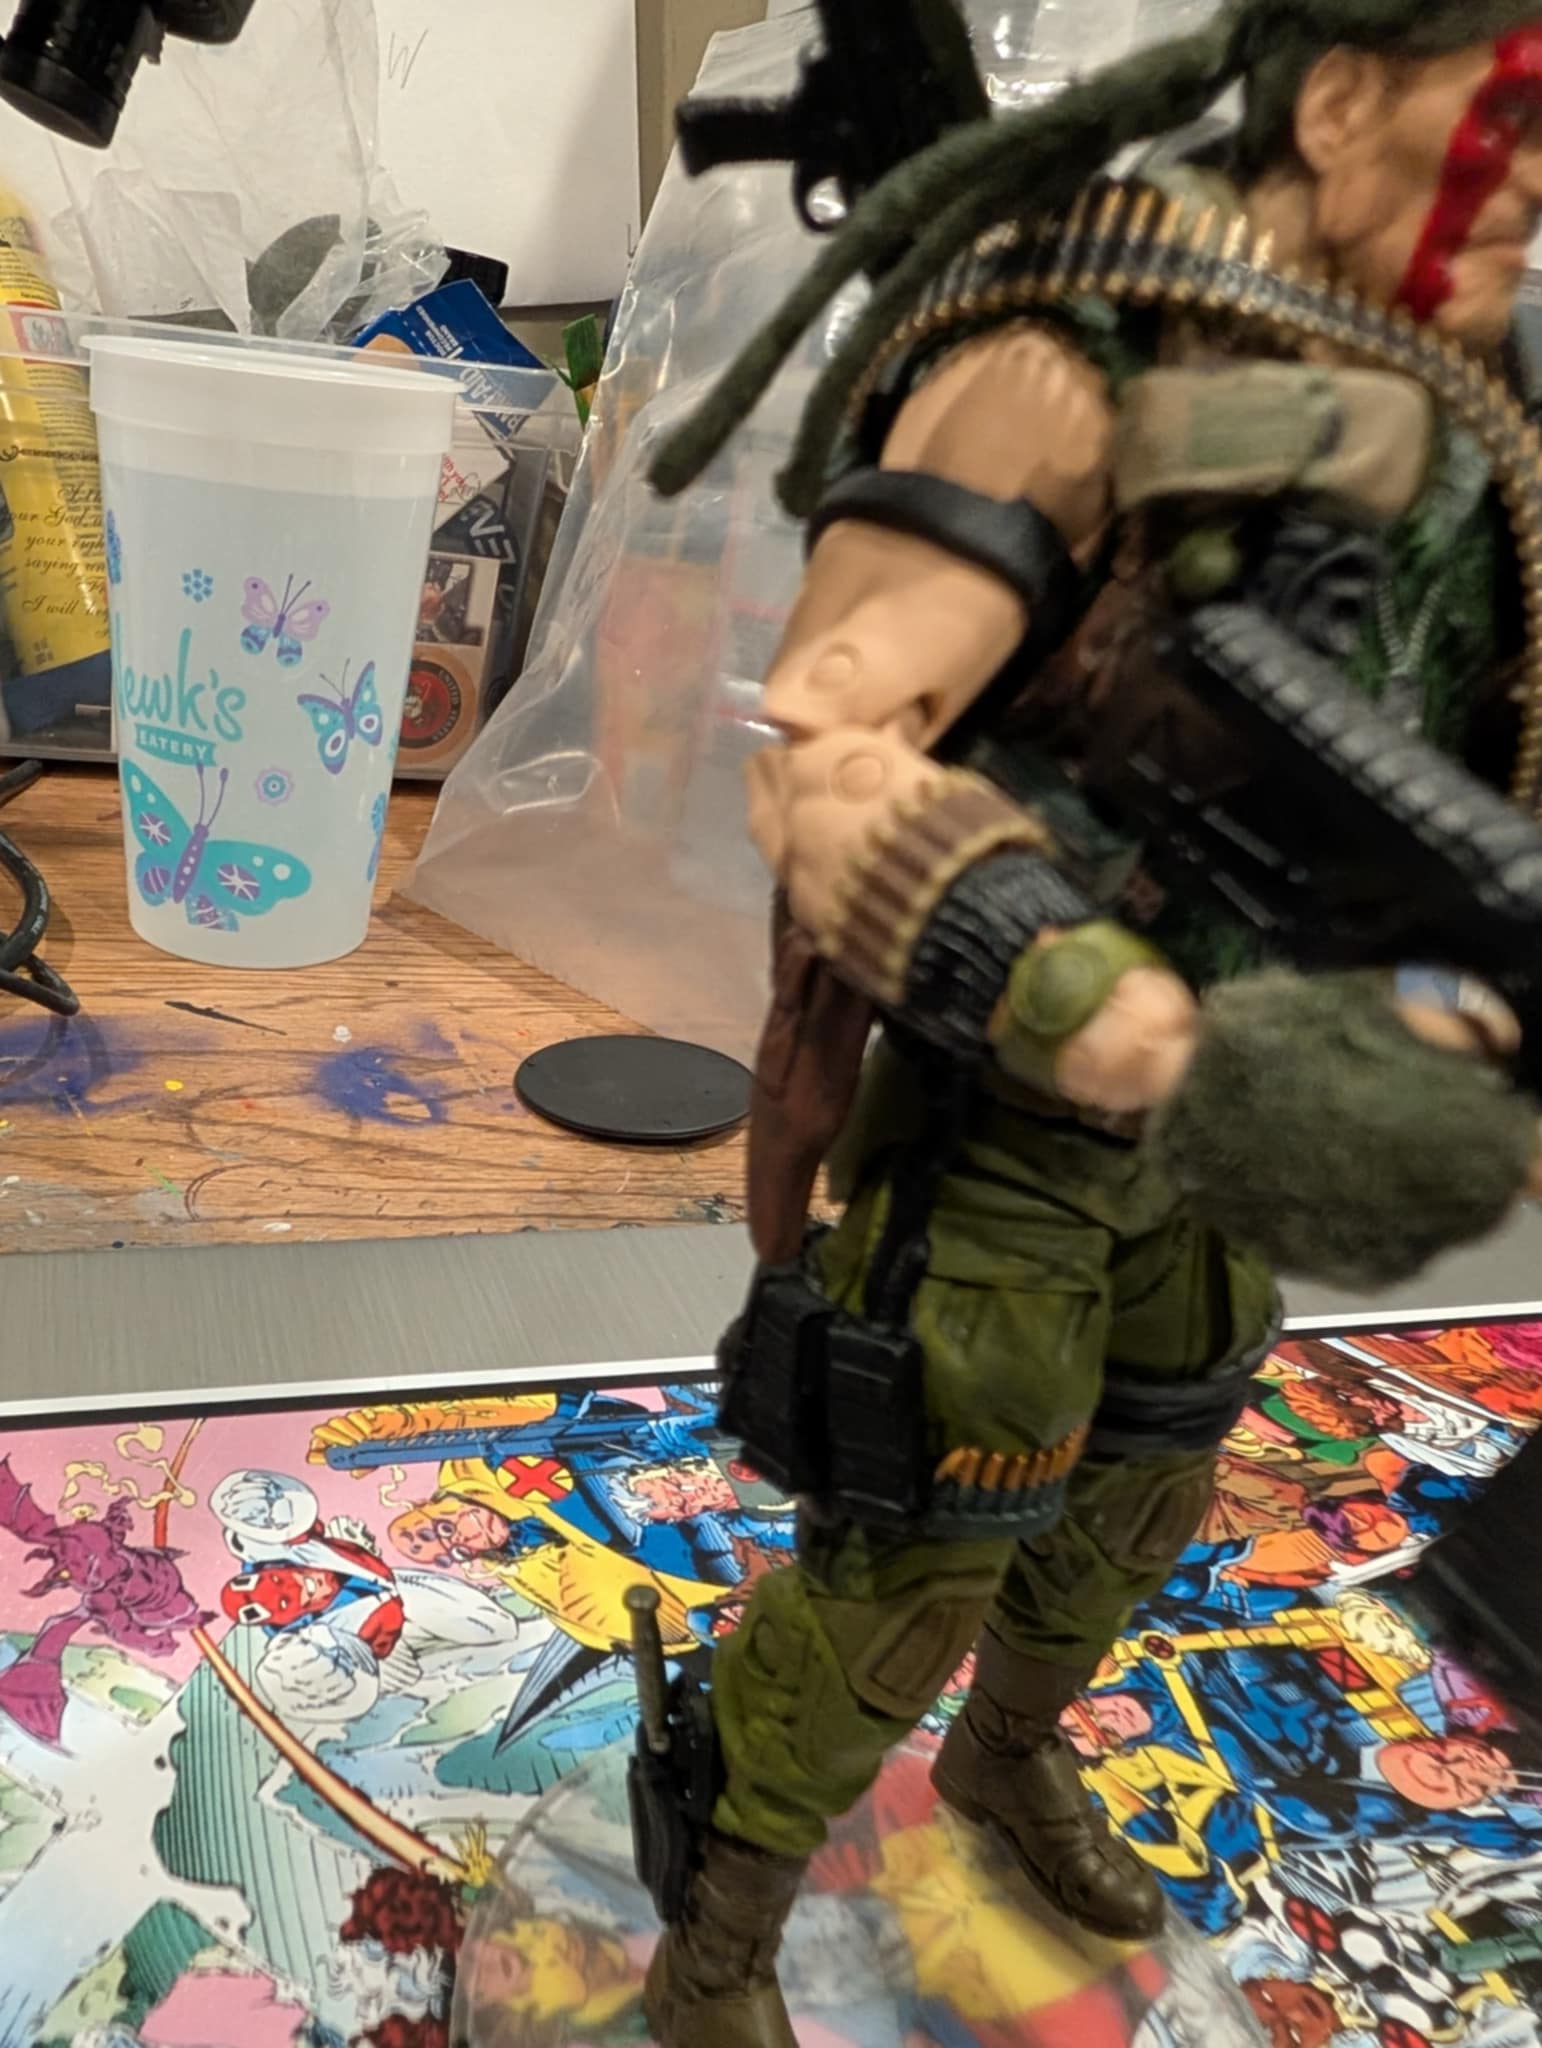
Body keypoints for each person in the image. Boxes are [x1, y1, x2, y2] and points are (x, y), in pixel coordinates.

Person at [637, 6, 1542, 2041]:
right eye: (1514, 110)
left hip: (1250, 1113)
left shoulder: (1475, 405)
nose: (1540, 180)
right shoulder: (1072, 360)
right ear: (1338, 101)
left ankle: (1005, 1759)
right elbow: (829, 748)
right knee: (911, 1566)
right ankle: (724, 1910)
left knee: (1138, 1506)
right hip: (1018, 1114)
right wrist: (1108, 1021)